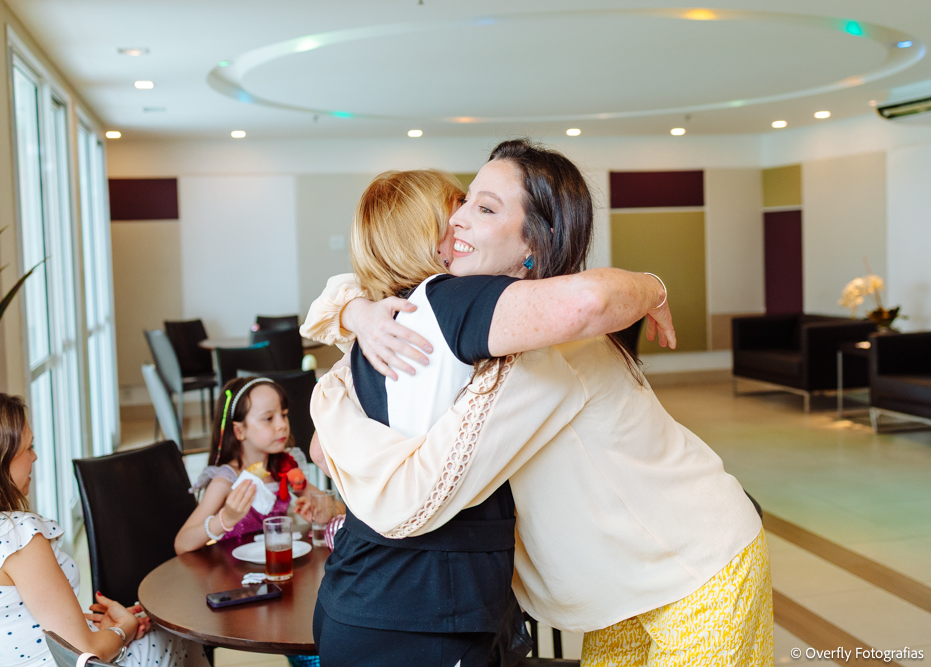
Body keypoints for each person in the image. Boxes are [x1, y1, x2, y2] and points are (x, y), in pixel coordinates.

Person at [307, 139, 772, 666]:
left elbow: (412, 494)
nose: (456, 220)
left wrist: (653, 286)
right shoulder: (465, 327)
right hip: (622, 590)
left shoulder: (542, 342)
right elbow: (359, 293)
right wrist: (357, 311)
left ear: (534, 243)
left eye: (483, 208)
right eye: (461, 203)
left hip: (695, 565)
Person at [0, 393, 209, 667]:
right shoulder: (12, 536)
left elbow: (11, 625)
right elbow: (85, 653)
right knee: (176, 636)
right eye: (27, 448)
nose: (35, 457)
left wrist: (98, 630)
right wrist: (125, 627)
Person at [174, 377, 333, 555]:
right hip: (235, 576)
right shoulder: (226, 480)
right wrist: (226, 519)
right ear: (239, 431)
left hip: (279, 567)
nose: (282, 425)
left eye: (284, 414)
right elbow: (182, 544)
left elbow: (335, 509)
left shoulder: (284, 469)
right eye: (268, 418)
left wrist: (321, 511)